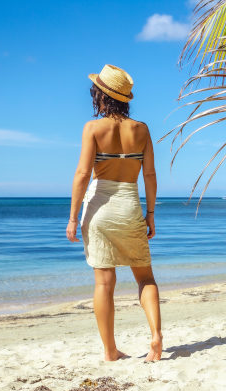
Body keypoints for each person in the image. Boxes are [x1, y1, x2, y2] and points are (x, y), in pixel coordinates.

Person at [66, 64, 162, 362]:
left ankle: (110, 351)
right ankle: (156, 337)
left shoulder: (92, 128)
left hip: (99, 208)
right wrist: (150, 213)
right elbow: (150, 176)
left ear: (99, 95)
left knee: (104, 283)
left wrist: (72, 218)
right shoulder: (141, 129)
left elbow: (83, 174)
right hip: (130, 204)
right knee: (145, 278)